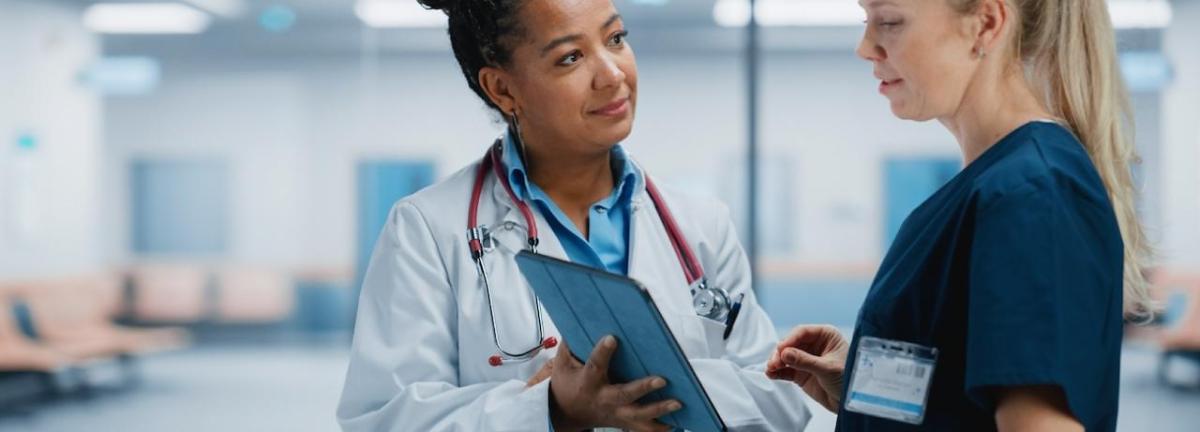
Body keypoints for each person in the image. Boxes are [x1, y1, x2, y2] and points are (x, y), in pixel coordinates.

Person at [336, 0, 810, 430]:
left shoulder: (700, 224)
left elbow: (780, 401)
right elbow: (384, 419)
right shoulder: (428, 229)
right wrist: (551, 408)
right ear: (502, 88)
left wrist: (650, 389)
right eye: (570, 58)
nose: (612, 74)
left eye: (616, 39)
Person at [766, 0, 1153, 431]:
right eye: (866, 21)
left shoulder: (1030, 192)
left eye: (889, 21)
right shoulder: (992, 185)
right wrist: (862, 396)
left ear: (985, 23)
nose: (865, 46)